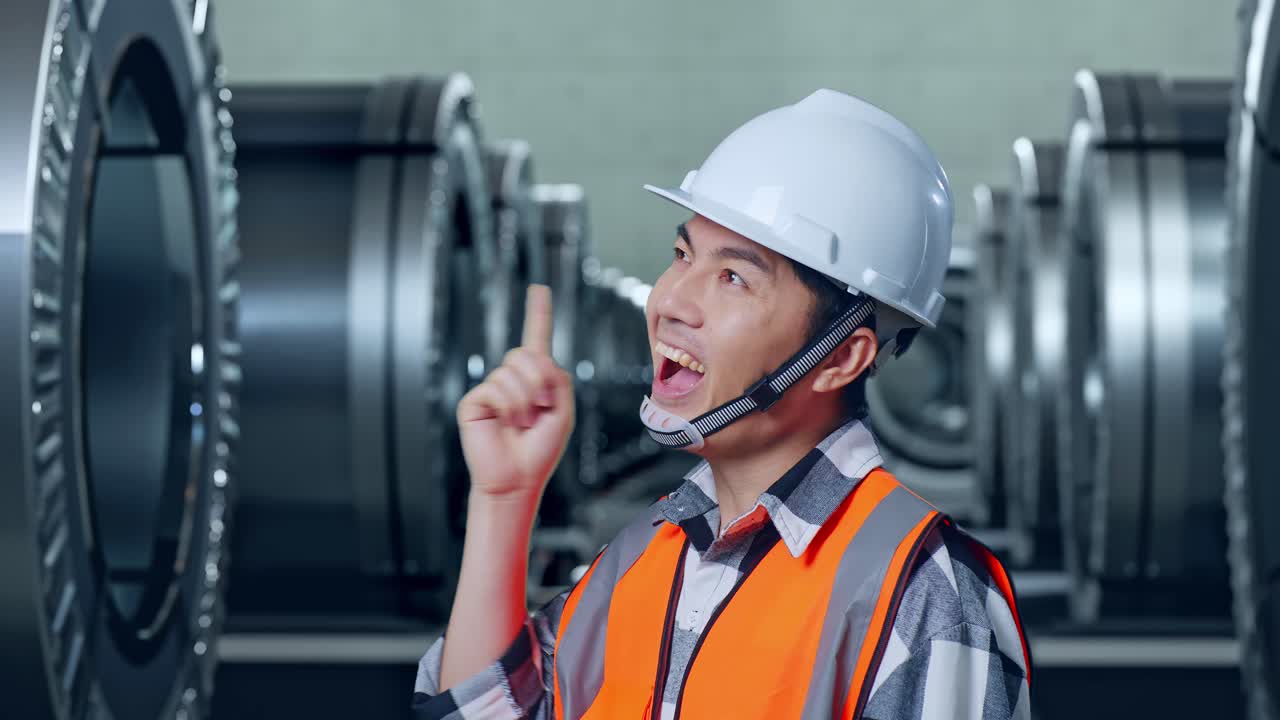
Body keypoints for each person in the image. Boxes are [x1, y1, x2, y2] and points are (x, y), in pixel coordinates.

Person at [413, 89, 1031, 720]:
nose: (670, 302)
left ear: (841, 358)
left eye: (733, 277)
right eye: (682, 256)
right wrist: (504, 499)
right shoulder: (639, 561)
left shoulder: (923, 592)